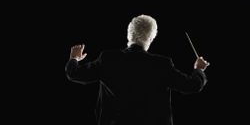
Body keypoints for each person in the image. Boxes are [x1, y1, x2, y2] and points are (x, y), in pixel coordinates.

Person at [65, 15, 209, 125]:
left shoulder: (108, 59)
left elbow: (74, 74)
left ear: (129, 33)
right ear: (151, 38)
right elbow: (192, 85)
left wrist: (74, 58)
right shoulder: (161, 64)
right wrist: (199, 69)